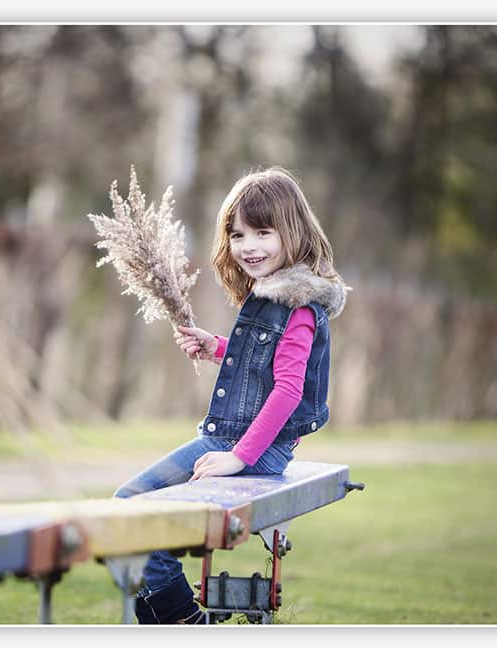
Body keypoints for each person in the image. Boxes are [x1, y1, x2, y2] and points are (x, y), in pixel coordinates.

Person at [114, 167, 348, 624]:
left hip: (243, 447)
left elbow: (287, 390)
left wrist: (237, 457)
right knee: (135, 520)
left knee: (128, 508)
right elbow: (265, 363)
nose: (249, 246)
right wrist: (217, 345)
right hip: (240, 442)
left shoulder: (297, 306)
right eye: (238, 234)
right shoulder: (272, 297)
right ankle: (177, 622)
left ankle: (187, 624)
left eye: (263, 232)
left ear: (293, 232)